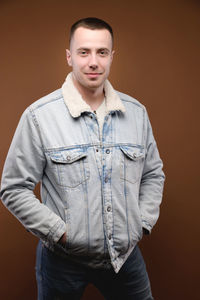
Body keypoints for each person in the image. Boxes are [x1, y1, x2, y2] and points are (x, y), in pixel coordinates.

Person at [0, 17, 165, 300]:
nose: (93, 62)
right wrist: (61, 233)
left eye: (102, 52)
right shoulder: (40, 116)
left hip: (124, 258)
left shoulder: (137, 113)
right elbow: (13, 188)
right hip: (62, 261)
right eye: (83, 52)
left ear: (112, 57)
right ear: (69, 57)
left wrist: (141, 223)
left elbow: (153, 174)